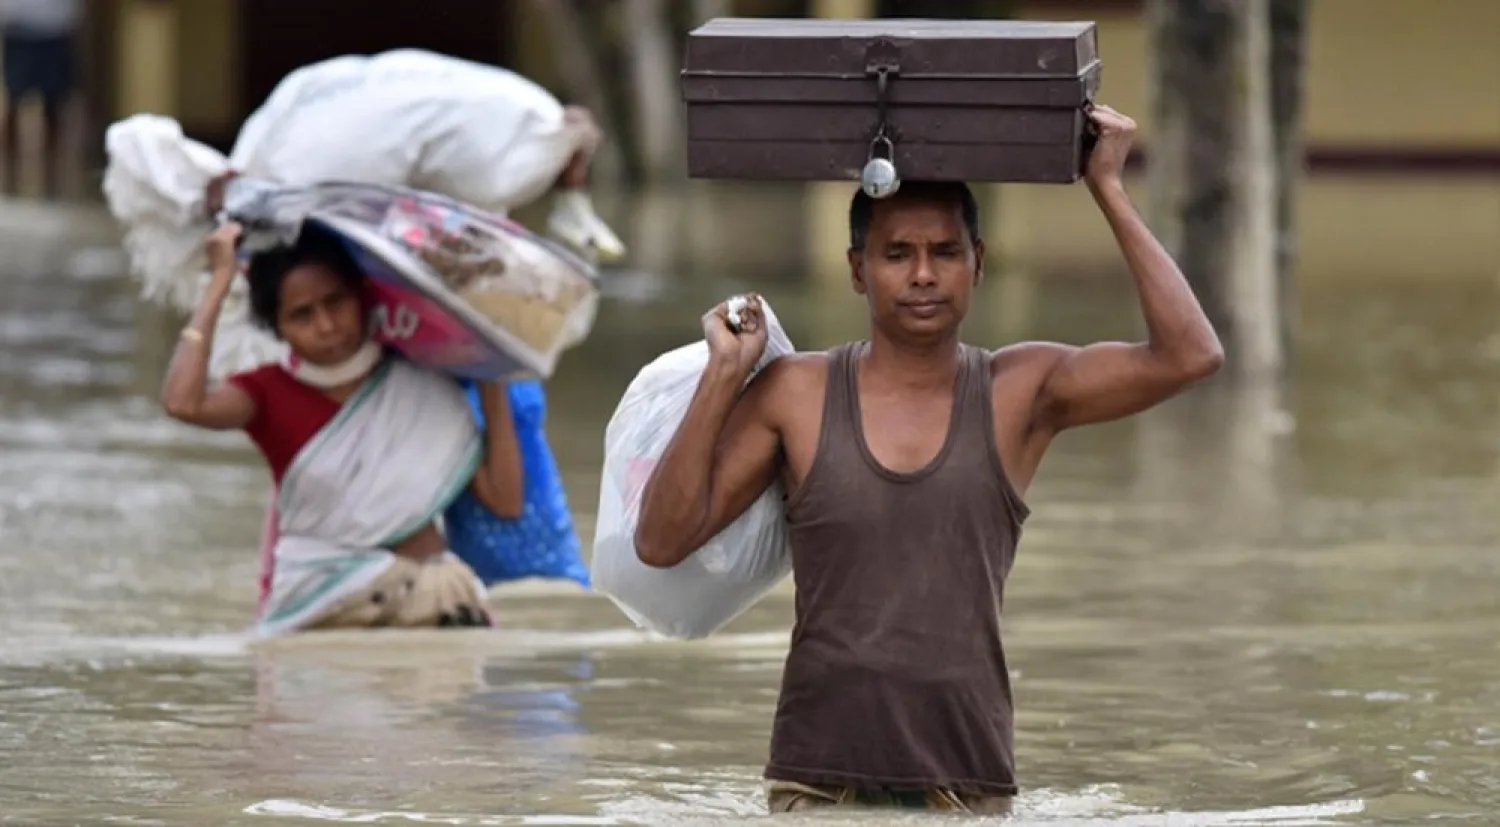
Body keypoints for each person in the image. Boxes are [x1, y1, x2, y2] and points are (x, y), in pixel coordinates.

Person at [632, 105, 1224, 814]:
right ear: (858, 269)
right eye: (896, 253)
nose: (922, 274)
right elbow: (661, 540)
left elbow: (1192, 354)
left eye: (945, 252)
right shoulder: (797, 392)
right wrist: (724, 376)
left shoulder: (1020, 391)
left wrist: (1107, 186)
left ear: (978, 263)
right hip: (817, 781)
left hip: (964, 784)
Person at [161, 221, 526, 634]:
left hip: (433, 603)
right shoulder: (266, 393)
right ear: (277, 328)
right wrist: (220, 282)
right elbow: (182, 402)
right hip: (324, 606)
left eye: (336, 302)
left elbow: (505, 500)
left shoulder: (422, 384)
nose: (326, 325)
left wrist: (492, 373)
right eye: (302, 315)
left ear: (364, 297)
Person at [0, 0, 78, 198]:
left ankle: (52, 173)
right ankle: (10, 171)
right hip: (20, 26)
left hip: (55, 27)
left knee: (54, 106)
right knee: (14, 101)